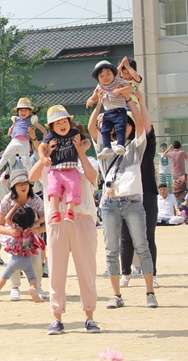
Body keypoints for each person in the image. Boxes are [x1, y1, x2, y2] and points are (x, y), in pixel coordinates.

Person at [88, 88, 158, 310]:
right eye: (119, 123)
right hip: (109, 203)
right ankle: (116, 295)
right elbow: (90, 128)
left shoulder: (136, 146)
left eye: (127, 123)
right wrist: (99, 103)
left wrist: (129, 99)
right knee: (111, 250)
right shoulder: (104, 148)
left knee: (142, 246)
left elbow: (140, 123)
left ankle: (150, 292)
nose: (123, 126)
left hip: (133, 201)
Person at [30, 129, 101, 334]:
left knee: (87, 271)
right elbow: (32, 176)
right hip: (57, 221)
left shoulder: (86, 161)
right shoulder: (50, 164)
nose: (66, 142)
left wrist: (80, 152)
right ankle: (57, 317)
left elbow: (92, 176)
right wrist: (46, 154)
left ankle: (89, 317)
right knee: (56, 271)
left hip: (83, 219)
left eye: (72, 138)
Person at [120, 91, 160, 288]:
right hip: (126, 195)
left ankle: (151, 273)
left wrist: (141, 102)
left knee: (148, 236)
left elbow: (146, 125)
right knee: (126, 237)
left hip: (148, 194)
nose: (125, 127)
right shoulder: (118, 147)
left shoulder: (145, 144)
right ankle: (125, 273)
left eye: (129, 124)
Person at [0, 169, 46, 303]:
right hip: (12, 237)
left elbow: (47, 221)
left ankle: (37, 287)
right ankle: (15, 288)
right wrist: (11, 232)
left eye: (25, 183)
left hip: (32, 236)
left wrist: (37, 227)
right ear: (13, 186)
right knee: (13, 261)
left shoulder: (36, 200)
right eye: (19, 184)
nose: (23, 186)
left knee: (36, 261)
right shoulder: (7, 201)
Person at [0, 204, 44, 303]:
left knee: (4, 276)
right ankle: (33, 288)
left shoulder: (15, 229)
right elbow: (44, 218)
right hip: (27, 260)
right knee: (32, 278)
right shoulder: (31, 229)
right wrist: (37, 222)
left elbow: (7, 218)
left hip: (14, 260)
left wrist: (14, 208)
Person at [39, 105, 82, 224]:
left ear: (69, 122)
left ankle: (70, 211)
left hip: (71, 169)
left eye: (64, 121)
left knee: (73, 187)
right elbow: (41, 147)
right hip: (55, 170)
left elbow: (87, 142)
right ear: (52, 127)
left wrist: (82, 148)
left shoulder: (75, 132)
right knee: (53, 189)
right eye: (57, 123)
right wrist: (43, 158)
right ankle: (55, 213)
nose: (62, 125)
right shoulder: (51, 136)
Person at [86, 60, 132, 159]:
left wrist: (120, 90)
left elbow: (130, 88)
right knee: (105, 129)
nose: (105, 77)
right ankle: (107, 147)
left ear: (113, 73)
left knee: (120, 128)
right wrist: (90, 101)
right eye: (101, 76)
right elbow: (94, 97)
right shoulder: (100, 86)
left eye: (108, 74)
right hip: (107, 112)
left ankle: (121, 145)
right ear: (98, 79)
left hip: (119, 110)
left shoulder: (118, 81)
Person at [0, 98, 47, 177]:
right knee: (5, 155)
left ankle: (31, 175)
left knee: (26, 160)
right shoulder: (15, 119)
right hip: (14, 140)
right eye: (21, 110)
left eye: (25, 110)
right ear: (18, 111)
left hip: (24, 142)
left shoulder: (31, 120)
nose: (23, 112)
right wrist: (10, 130)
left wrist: (45, 133)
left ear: (30, 112)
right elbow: (12, 127)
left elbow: (40, 126)